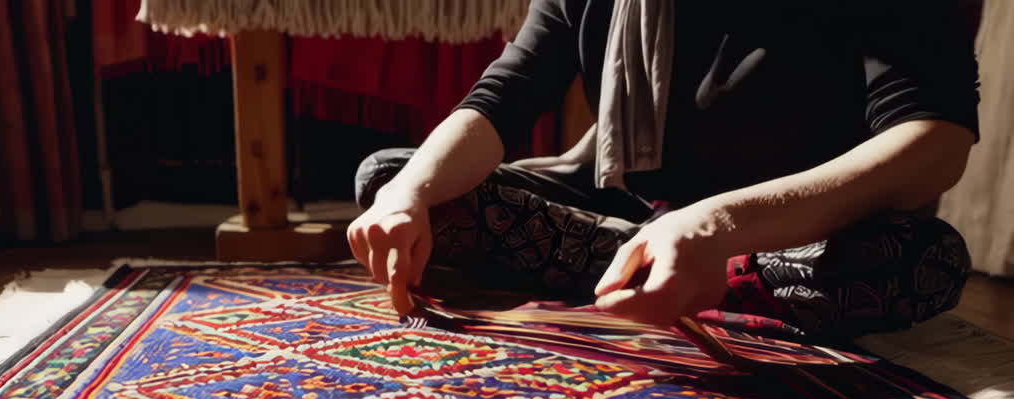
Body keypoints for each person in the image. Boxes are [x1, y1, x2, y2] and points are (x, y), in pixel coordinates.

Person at [346, 1, 980, 338]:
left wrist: (721, 226)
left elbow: (934, 142)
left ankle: (664, 271)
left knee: (926, 261)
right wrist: (407, 194)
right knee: (394, 176)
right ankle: (654, 269)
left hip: (793, 233)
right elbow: (503, 99)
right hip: (632, 212)